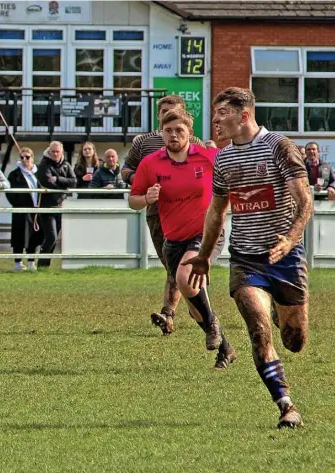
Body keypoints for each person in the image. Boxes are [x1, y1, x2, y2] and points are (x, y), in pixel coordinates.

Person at [184, 87, 312, 429]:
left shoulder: (279, 147)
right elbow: (216, 211)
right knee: (258, 329)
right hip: (245, 258)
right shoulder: (223, 159)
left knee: (294, 341)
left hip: (285, 259)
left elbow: (305, 201)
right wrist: (204, 255)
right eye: (213, 116)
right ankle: (286, 405)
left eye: (221, 114)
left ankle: (278, 305)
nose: (215, 121)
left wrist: (291, 238)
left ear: (244, 115)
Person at [129, 108, 236, 369]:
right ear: (162, 133)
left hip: (206, 232)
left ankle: (212, 326)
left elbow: (235, 185)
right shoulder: (151, 163)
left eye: (179, 130)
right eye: (168, 131)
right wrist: (146, 199)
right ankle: (225, 348)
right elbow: (133, 200)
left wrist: (227, 207)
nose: (174, 135)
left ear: (190, 132)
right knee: (193, 304)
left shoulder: (209, 157)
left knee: (184, 278)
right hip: (173, 239)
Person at [121, 94, 203, 336]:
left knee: (179, 267)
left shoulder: (194, 142)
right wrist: (139, 181)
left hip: (188, 212)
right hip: (157, 212)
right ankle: (194, 304)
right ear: (158, 116)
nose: (169, 114)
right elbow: (126, 169)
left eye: (175, 111)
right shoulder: (144, 143)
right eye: (165, 111)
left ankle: (168, 313)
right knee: (171, 265)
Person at [36, 141, 76, 268]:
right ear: (49, 151)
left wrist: (58, 179)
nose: (55, 154)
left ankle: (44, 266)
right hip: (47, 206)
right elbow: (47, 182)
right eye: (52, 151)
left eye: (57, 151)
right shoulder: (44, 164)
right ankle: (41, 264)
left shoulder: (66, 164)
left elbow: (74, 181)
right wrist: (63, 185)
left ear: (61, 152)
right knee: (51, 237)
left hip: (60, 206)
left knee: (53, 238)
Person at [6, 147, 42, 271]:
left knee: (34, 236)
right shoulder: (14, 174)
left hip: (36, 210)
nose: (25, 159)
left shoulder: (39, 173)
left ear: (32, 158)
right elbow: (9, 193)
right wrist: (18, 205)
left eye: (27, 157)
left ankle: (32, 262)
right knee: (19, 236)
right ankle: (18, 263)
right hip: (21, 210)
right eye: (22, 157)